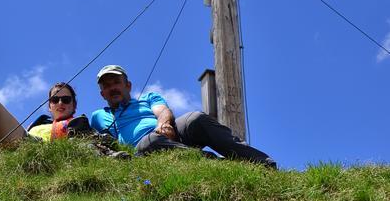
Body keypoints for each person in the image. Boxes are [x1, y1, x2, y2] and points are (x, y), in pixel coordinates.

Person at [90, 65, 277, 167]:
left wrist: (164, 125)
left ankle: (262, 163)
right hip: (144, 150)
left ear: (128, 85)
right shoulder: (99, 117)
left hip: (168, 133)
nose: (112, 87)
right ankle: (226, 166)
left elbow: (163, 110)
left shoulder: (148, 97)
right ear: (102, 94)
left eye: (116, 82)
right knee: (151, 142)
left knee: (195, 118)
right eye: (106, 86)